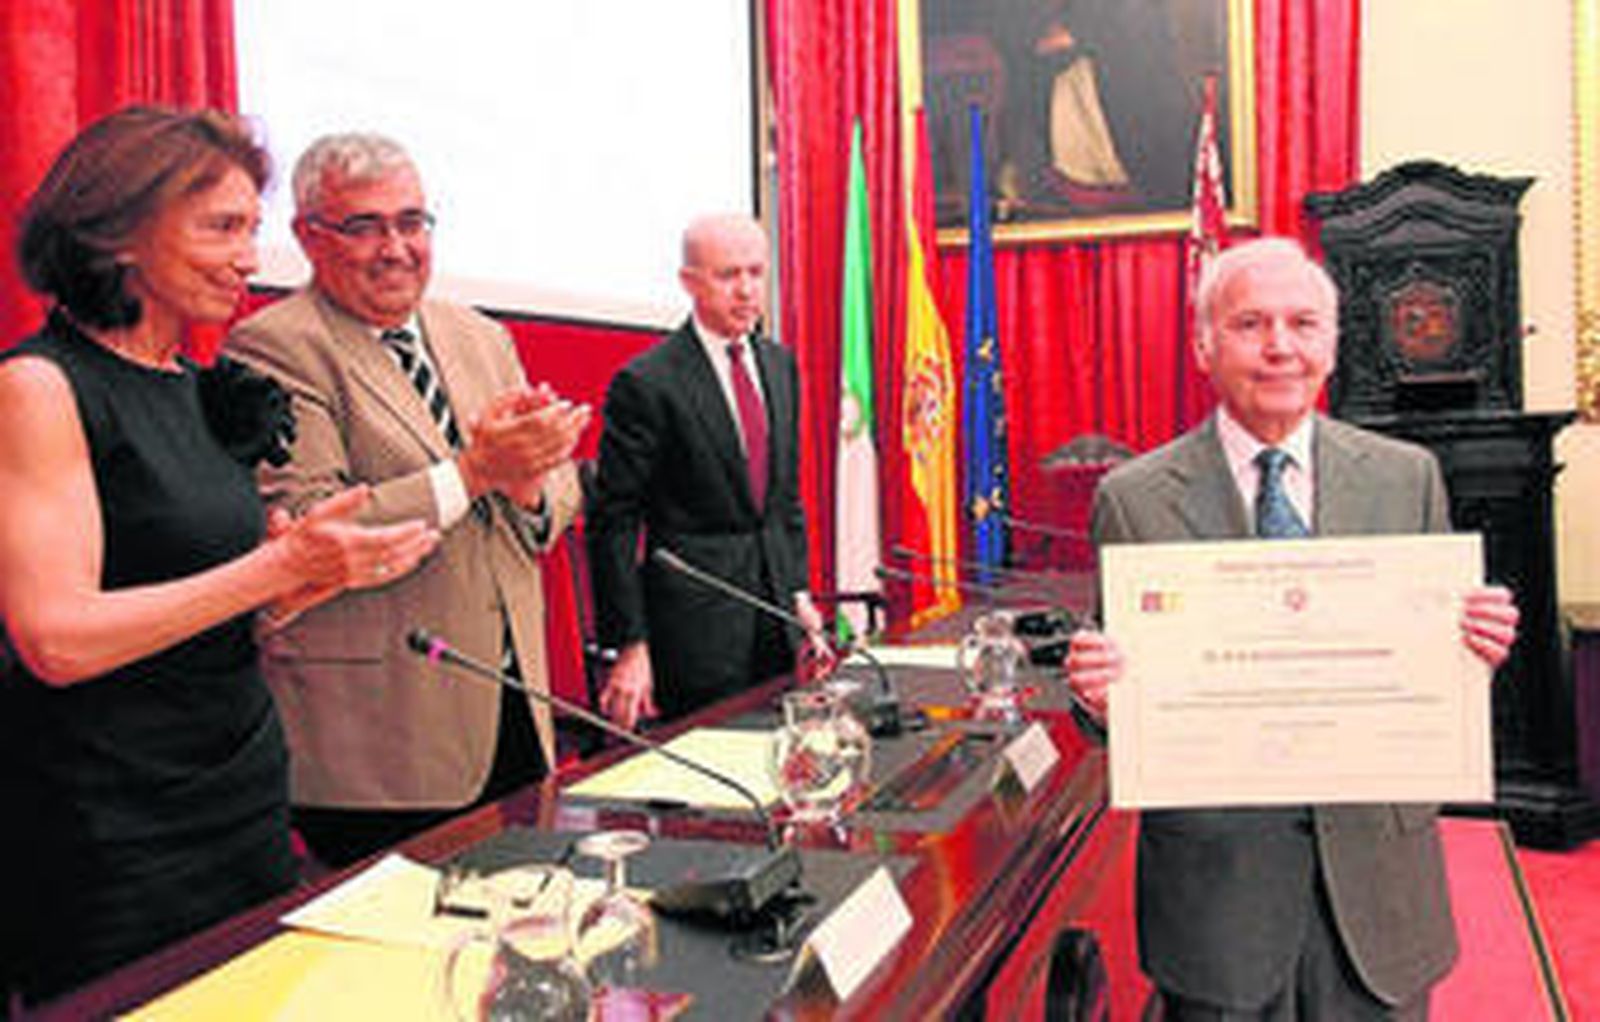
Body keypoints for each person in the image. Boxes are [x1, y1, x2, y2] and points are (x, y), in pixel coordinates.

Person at [0, 106, 440, 1003]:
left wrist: (315, 577)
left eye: (251, 226)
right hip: (113, 826)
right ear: (119, 232)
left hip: (238, 794)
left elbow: (212, 606)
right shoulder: (40, 388)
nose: (250, 256)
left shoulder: (200, 391)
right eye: (223, 228)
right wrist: (275, 569)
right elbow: (57, 638)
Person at [1065, 237, 1520, 1020]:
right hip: (1219, 897)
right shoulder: (1134, 499)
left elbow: (1434, 673)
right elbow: (1112, 707)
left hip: (1381, 890)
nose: (1280, 346)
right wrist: (1102, 699)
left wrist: (1476, 646)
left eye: (1304, 323)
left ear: (1333, 344)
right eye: (1250, 324)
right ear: (1205, 344)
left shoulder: (1406, 478)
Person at [225, 133, 587, 868]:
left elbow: (557, 484)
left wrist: (528, 486)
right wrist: (476, 472)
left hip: (511, 702)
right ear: (308, 237)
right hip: (383, 742)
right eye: (365, 226)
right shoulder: (274, 348)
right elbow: (309, 530)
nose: (396, 247)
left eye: (412, 222)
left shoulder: (478, 335)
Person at [588, 213, 827, 728]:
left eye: (756, 273)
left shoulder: (780, 365)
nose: (746, 291)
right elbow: (614, 521)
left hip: (776, 621)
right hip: (694, 635)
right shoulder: (648, 382)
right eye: (728, 276)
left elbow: (783, 499)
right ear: (689, 282)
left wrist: (799, 592)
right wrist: (630, 645)